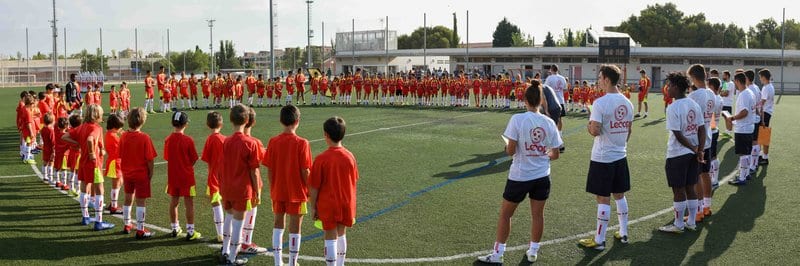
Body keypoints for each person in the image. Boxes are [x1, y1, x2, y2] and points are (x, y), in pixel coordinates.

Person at [477, 81, 563, 264]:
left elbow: (510, 151)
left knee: (506, 214)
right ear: (541, 100)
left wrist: (507, 145)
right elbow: (555, 154)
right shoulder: (549, 122)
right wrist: (542, 152)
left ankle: (498, 255)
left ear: (524, 100)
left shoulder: (517, 119)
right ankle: (533, 251)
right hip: (542, 175)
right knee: (538, 215)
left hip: (520, 175)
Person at [578, 65, 634, 250]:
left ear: (608, 80)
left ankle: (599, 240)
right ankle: (624, 233)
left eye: (600, 78)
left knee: (603, 197)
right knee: (619, 194)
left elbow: (594, 131)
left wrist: (589, 123)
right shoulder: (628, 103)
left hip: (603, 157)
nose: (598, 81)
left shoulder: (600, 103)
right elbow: (628, 131)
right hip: (620, 155)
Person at [264, 105, 312, 266]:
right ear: (297, 121)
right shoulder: (302, 143)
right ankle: (292, 262)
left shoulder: (273, 141)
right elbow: (306, 170)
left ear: (280, 120)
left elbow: (269, 169)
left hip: (278, 190)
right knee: (295, 227)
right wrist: (310, 190)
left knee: (278, 223)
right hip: (297, 192)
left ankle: (278, 262)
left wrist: (273, 187)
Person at [658, 72, 705, 234]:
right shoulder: (694, 104)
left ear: (676, 88)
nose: (667, 88)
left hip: (677, 154)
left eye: (669, 85)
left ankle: (678, 224)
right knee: (690, 187)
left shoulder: (673, 107)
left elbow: (678, 134)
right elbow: (702, 128)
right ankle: (691, 222)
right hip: (692, 155)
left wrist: (694, 149)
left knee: (678, 190)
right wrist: (699, 150)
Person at [308, 116, 359, 266]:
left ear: (326, 135)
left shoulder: (321, 159)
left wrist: (313, 206)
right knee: (341, 233)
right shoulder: (350, 156)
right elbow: (354, 179)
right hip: (346, 203)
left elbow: (314, 186)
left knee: (330, 236)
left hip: (328, 204)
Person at [62, 104, 115, 230]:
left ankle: (85, 217)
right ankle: (99, 222)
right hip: (94, 163)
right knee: (99, 189)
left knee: (84, 188)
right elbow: (91, 140)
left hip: (83, 162)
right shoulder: (96, 128)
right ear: (97, 115)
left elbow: (64, 136)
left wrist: (79, 144)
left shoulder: (81, 127)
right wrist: (92, 153)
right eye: (101, 114)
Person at [219, 104, 260, 265]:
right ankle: (232, 258)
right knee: (238, 223)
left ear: (230, 120)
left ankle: (225, 250)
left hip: (226, 186)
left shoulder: (226, 141)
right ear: (248, 120)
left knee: (228, 218)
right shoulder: (250, 143)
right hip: (242, 189)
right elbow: (254, 171)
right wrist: (257, 191)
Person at [119, 107, 157, 239]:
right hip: (141, 174)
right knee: (141, 201)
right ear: (142, 121)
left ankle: (127, 224)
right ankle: (140, 229)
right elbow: (150, 159)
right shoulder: (144, 138)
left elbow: (120, 154)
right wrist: (150, 173)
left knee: (128, 198)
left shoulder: (123, 136)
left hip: (127, 173)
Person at [164, 111, 201, 240]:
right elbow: (194, 159)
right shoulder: (188, 140)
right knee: (189, 203)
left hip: (173, 176)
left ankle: (174, 227)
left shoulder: (168, 139)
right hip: (187, 177)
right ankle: (190, 231)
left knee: (174, 202)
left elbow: (167, 157)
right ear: (185, 124)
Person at [686, 64, 716, 223]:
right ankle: (707, 206)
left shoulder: (694, 96)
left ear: (693, 78)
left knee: (696, 176)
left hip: (696, 142)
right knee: (705, 174)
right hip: (708, 139)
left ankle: (697, 211)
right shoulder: (711, 93)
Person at [239, 107, 268, 254]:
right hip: (249, 186)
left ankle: (234, 242)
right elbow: (256, 168)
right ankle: (246, 243)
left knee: (235, 215)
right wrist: (258, 191)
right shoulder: (254, 142)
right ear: (253, 122)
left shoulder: (230, 140)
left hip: (233, 184)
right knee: (251, 214)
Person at [725, 73, 757, 185]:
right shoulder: (750, 92)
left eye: (735, 81)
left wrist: (732, 118)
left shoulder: (744, 94)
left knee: (743, 154)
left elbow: (744, 112)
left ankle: (742, 178)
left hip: (743, 128)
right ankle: (746, 174)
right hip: (749, 127)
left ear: (738, 81)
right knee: (747, 152)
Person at [202, 111, 226, 242]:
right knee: (229, 205)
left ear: (208, 125)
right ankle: (230, 233)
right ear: (221, 124)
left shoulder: (210, 140)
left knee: (216, 205)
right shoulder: (225, 139)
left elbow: (206, 158)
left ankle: (220, 234)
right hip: (227, 177)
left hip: (214, 177)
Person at [104, 114, 125, 214]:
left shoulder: (110, 134)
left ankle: (113, 203)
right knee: (116, 184)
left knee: (119, 182)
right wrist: (124, 136)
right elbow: (123, 147)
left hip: (116, 162)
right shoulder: (113, 136)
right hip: (115, 162)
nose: (121, 129)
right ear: (114, 127)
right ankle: (114, 206)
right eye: (119, 127)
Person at [744, 70, 762, 175]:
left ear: (747, 78)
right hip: (757, 117)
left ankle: (753, 165)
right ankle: (753, 164)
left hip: (753, 119)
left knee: (753, 142)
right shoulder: (756, 88)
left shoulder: (750, 89)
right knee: (755, 141)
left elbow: (754, 105)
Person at [758, 69, 775, 165]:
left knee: (764, 135)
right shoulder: (770, 86)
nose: (760, 79)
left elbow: (762, 102)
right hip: (768, 112)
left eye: (760, 77)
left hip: (765, 113)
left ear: (764, 77)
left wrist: (755, 106)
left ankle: (765, 157)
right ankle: (762, 155)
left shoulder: (766, 88)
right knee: (763, 135)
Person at [40, 113, 56, 183]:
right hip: (50, 149)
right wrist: (54, 151)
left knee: (45, 162)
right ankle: (50, 177)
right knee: (51, 163)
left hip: (45, 148)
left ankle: (44, 176)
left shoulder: (43, 129)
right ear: (52, 121)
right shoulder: (51, 130)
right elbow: (53, 142)